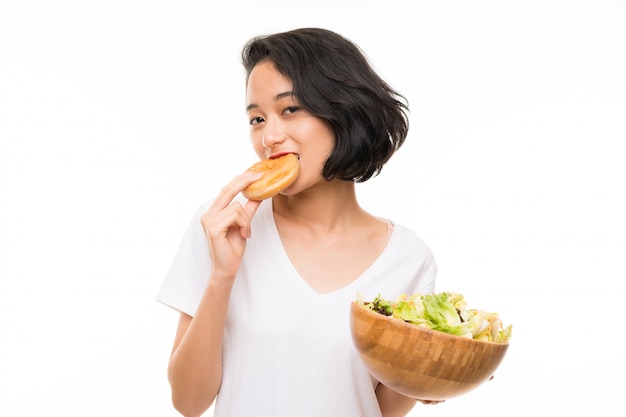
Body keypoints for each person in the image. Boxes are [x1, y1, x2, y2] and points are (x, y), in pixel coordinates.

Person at [157, 27, 438, 417]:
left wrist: (428, 375)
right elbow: (188, 402)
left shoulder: (408, 259)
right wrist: (223, 274)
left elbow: (378, 409)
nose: (269, 136)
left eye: (290, 110)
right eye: (256, 118)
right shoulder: (223, 226)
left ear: (344, 111)